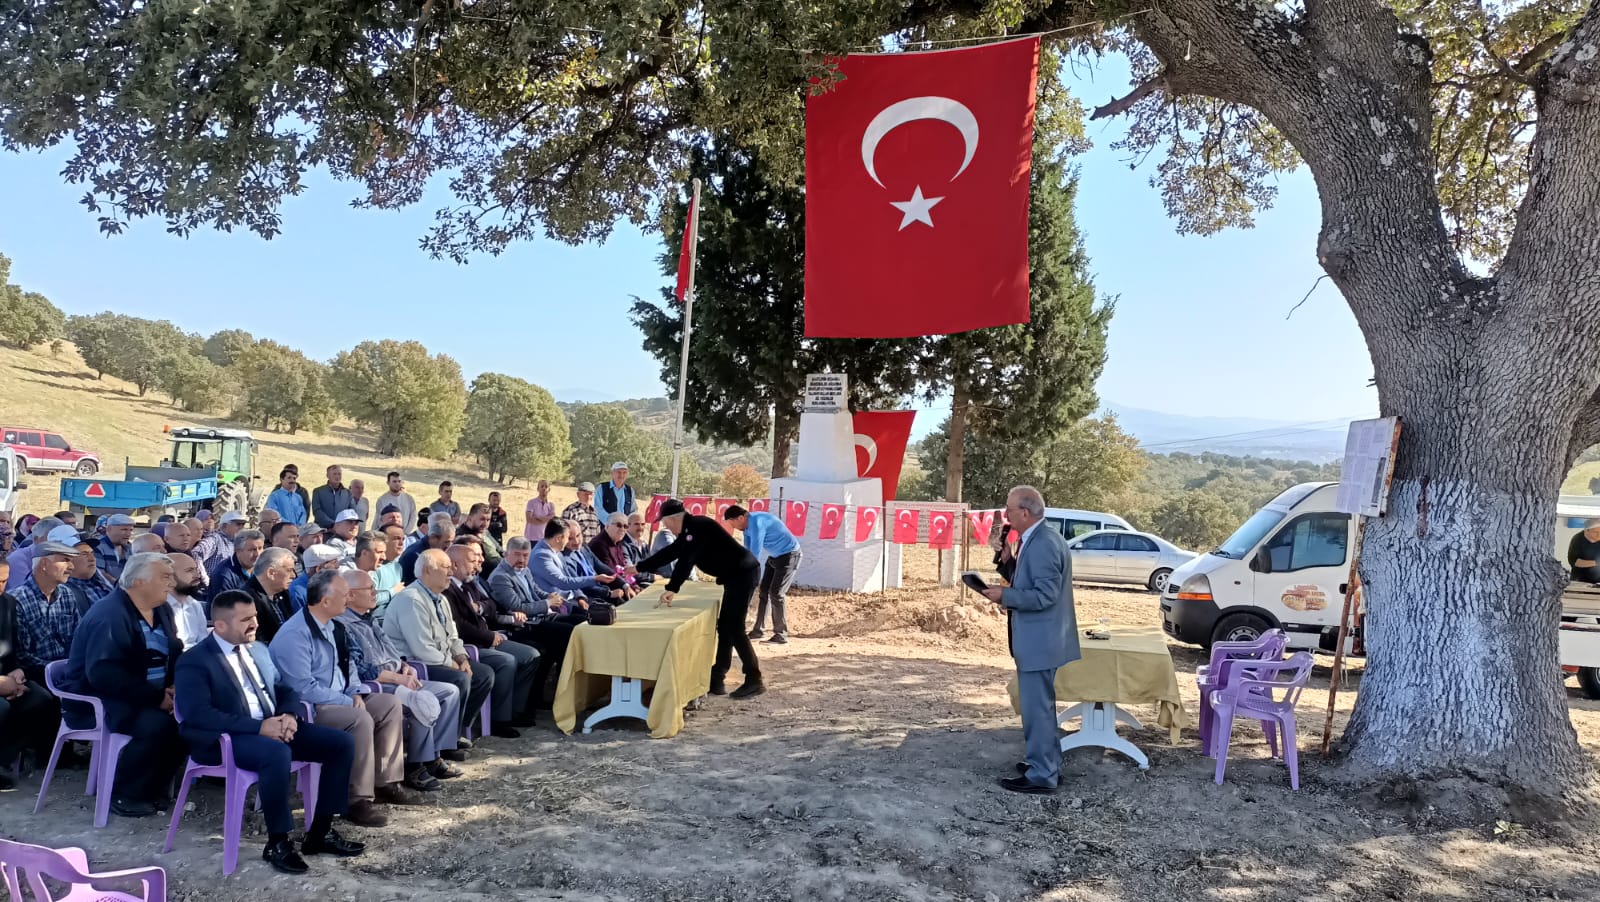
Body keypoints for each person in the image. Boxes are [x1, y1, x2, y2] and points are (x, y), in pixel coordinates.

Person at [175, 589, 364, 873]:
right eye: (245, 620)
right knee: (276, 753)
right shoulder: (195, 660)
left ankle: (321, 832)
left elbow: (285, 689)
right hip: (226, 739)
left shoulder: (258, 649)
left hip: (271, 727)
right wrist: (260, 727)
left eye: (254, 616)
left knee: (341, 743)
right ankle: (278, 842)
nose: (255, 624)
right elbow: (198, 714)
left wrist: (288, 715)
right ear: (221, 625)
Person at [271, 570, 415, 825]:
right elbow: (301, 688)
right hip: (313, 708)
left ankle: (386, 781)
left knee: (389, 704)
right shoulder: (295, 634)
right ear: (325, 600)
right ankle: (356, 799)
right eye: (344, 594)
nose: (348, 599)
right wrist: (348, 701)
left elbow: (349, 667)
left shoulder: (335, 626)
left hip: (342, 697)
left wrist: (355, 692)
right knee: (360, 719)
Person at [59, 553, 186, 818]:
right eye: (165, 577)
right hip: (101, 699)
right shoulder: (110, 615)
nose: (172, 583)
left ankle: (154, 790)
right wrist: (155, 698)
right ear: (139, 581)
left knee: (188, 722)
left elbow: (174, 650)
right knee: (159, 725)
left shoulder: (161, 609)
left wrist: (175, 685)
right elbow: (105, 674)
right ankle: (124, 794)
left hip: (147, 693)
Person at [979, 486, 1080, 795]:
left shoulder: (1043, 544)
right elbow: (1029, 579)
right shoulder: (1037, 539)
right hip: (1041, 638)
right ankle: (1046, 763)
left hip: (1040, 640)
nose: (1006, 515)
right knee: (1041, 708)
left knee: (1037, 710)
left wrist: (1004, 596)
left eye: (1009, 510)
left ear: (1025, 512)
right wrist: (1007, 560)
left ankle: (1042, 775)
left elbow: (1045, 595)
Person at [335, 568, 465, 792]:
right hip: (378, 684)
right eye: (370, 589)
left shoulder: (369, 619)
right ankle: (415, 766)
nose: (375, 593)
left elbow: (393, 651)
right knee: (421, 700)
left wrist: (406, 667)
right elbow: (362, 670)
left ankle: (433, 755)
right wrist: (398, 678)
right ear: (351, 595)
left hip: (397, 677)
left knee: (449, 692)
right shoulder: (343, 625)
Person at [632, 499, 766, 699]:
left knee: (735, 627)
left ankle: (754, 679)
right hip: (735, 576)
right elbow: (670, 553)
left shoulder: (697, 527)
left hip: (743, 574)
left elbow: (686, 561)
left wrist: (672, 588)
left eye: (665, 522)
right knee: (725, 626)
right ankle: (717, 677)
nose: (665, 526)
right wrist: (638, 567)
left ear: (673, 519)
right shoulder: (690, 530)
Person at [382, 548, 496, 745]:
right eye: (445, 567)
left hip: (442, 659)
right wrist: (452, 664)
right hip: (418, 664)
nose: (451, 572)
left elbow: (453, 635)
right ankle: (445, 741)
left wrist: (461, 658)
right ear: (427, 570)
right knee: (460, 678)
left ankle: (456, 730)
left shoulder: (441, 598)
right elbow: (422, 649)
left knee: (484, 674)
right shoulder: (411, 599)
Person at [444, 539, 538, 734]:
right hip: (472, 644)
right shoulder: (447, 589)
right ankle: (499, 720)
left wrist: (480, 607)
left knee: (531, 655)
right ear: (455, 564)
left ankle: (516, 710)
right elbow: (459, 627)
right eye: (471, 561)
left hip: (489, 636)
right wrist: (488, 637)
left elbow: (491, 604)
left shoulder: (469, 584)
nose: (476, 566)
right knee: (506, 661)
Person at [488, 535, 587, 706]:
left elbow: (535, 591)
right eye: (517, 554)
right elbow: (518, 607)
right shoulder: (500, 577)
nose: (521, 559)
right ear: (506, 554)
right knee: (566, 632)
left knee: (581, 621)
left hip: (540, 616)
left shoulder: (524, 570)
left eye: (525, 555)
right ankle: (561, 690)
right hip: (522, 624)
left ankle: (568, 686)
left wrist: (549, 596)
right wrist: (547, 603)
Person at [0, 561, 59, 790]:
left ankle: (5, 757)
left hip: (8, 676)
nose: (1, 586)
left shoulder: (7, 603)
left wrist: (17, 673)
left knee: (41, 699)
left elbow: (15, 647)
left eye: (4, 581)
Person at [12, 533, 86, 684]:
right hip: (37, 677)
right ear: (44, 564)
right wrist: (59, 671)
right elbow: (21, 655)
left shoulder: (67, 594)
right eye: (65, 560)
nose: (71, 567)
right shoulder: (17, 600)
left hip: (71, 673)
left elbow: (79, 638)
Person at [723, 504, 802, 645]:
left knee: (776, 594)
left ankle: (781, 635)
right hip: (775, 556)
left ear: (740, 518)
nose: (733, 528)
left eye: (733, 523)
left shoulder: (757, 523)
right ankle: (758, 631)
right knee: (764, 592)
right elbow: (747, 552)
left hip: (790, 555)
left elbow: (755, 553)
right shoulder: (746, 528)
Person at [527, 519, 606, 608]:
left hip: (569, 599)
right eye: (568, 538)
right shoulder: (541, 556)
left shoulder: (555, 550)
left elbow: (568, 576)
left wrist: (580, 597)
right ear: (558, 538)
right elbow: (563, 582)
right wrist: (595, 578)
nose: (568, 541)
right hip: (556, 604)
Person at [562, 520, 626, 603]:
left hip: (602, 589)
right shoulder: (564, 558)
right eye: (570, 538)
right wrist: (609, 593)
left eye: (578, 535)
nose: (576, 541)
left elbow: (601, 567)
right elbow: (579, 585)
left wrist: (624, 585)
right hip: (589, 598)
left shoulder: (584, 547)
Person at [245, 546, 299, 643]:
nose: (294, 576)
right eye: (289, 570)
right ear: (271, 573)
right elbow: (257, 642)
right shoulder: (247, 601)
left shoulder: (283, 592)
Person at [588, 514, 639, 600]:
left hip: (621, 585)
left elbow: (623, 569)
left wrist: (633, 585)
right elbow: (609, 573)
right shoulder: (598, 544)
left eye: (625, 526)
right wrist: (627, 586)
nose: (622, 529)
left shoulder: (617, 541)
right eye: (619, 525)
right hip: (607, 590)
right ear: (607, 526)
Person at [207, 528, 265, 604]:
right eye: (252, 550)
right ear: (238, 551)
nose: (257, 554)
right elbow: (227, 608)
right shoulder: (223, 576)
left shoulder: (262, 568)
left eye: (260, 548)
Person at [6, 517, 64, 591]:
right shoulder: (18, 559)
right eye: (54, 539)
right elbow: (22, 593)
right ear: (36, 539)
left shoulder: (63, 559)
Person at [166, 552, 210, 647]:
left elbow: (203, 639)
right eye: (189, 570)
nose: (197, 575)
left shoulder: (194, 605)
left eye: (196, 569)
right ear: (170, 576)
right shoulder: (160, 608)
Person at [397, 514, 454, 584]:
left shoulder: (435, 550)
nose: (449, 545)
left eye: (451, 542)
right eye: (446, 542)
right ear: (433, 538)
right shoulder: (414, 556)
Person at [67, 532, 117, 609]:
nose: (92, 559)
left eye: (92, 553)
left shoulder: (101, 581)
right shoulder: (65, 592)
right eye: (84, 554)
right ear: (68, 560)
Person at [289, 545, 343, 611]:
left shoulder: (330, 584)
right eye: (334, 562)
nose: (338, 566)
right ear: (318, 569)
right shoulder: (297, 592)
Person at [194, 510, 246, 578]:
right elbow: (196, 553)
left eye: (243, 524)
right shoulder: (215, 539)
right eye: (238, 524)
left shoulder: (237, 543)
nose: (241, 527)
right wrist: (204, 578)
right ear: (225, 526)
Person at [371, 526, 407, 617]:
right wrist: (393, 591)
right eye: (396, 538)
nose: (401, 543)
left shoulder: (397, 567)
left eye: (403, 539)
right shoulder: (373, 567)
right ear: (383, 542)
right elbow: (370, 599)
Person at [458, 503, 503, 577]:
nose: (485, 523)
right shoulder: (463, 537)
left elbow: (499, 549)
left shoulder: (484, 531)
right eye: (482, 519)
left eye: (488, 520)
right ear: (470, 518)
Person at [94, 513, 136, 581]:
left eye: (131, 530)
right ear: (109, 529)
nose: (128, 534)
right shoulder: (97, 547)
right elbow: (100, 574)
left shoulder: (130, 547)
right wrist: (120, 585)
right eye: (124, 529)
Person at [311, 465, 354, 530]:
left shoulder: (347, 493)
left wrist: (342, 525)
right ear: (327, 476)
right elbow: (317, 511)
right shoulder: (318, 491)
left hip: (341, 530)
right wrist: (333, 524)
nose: (337, 476)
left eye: (339, 474)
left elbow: (350, 511)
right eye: (334, 474)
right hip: (322, 530)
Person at [1569, 519, 1600, 584]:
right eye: (1595, 532)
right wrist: (1597, 563)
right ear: (1586, 531)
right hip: (1580, 579)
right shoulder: (1577, 540)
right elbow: (1575, 562)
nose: (1599, 535)